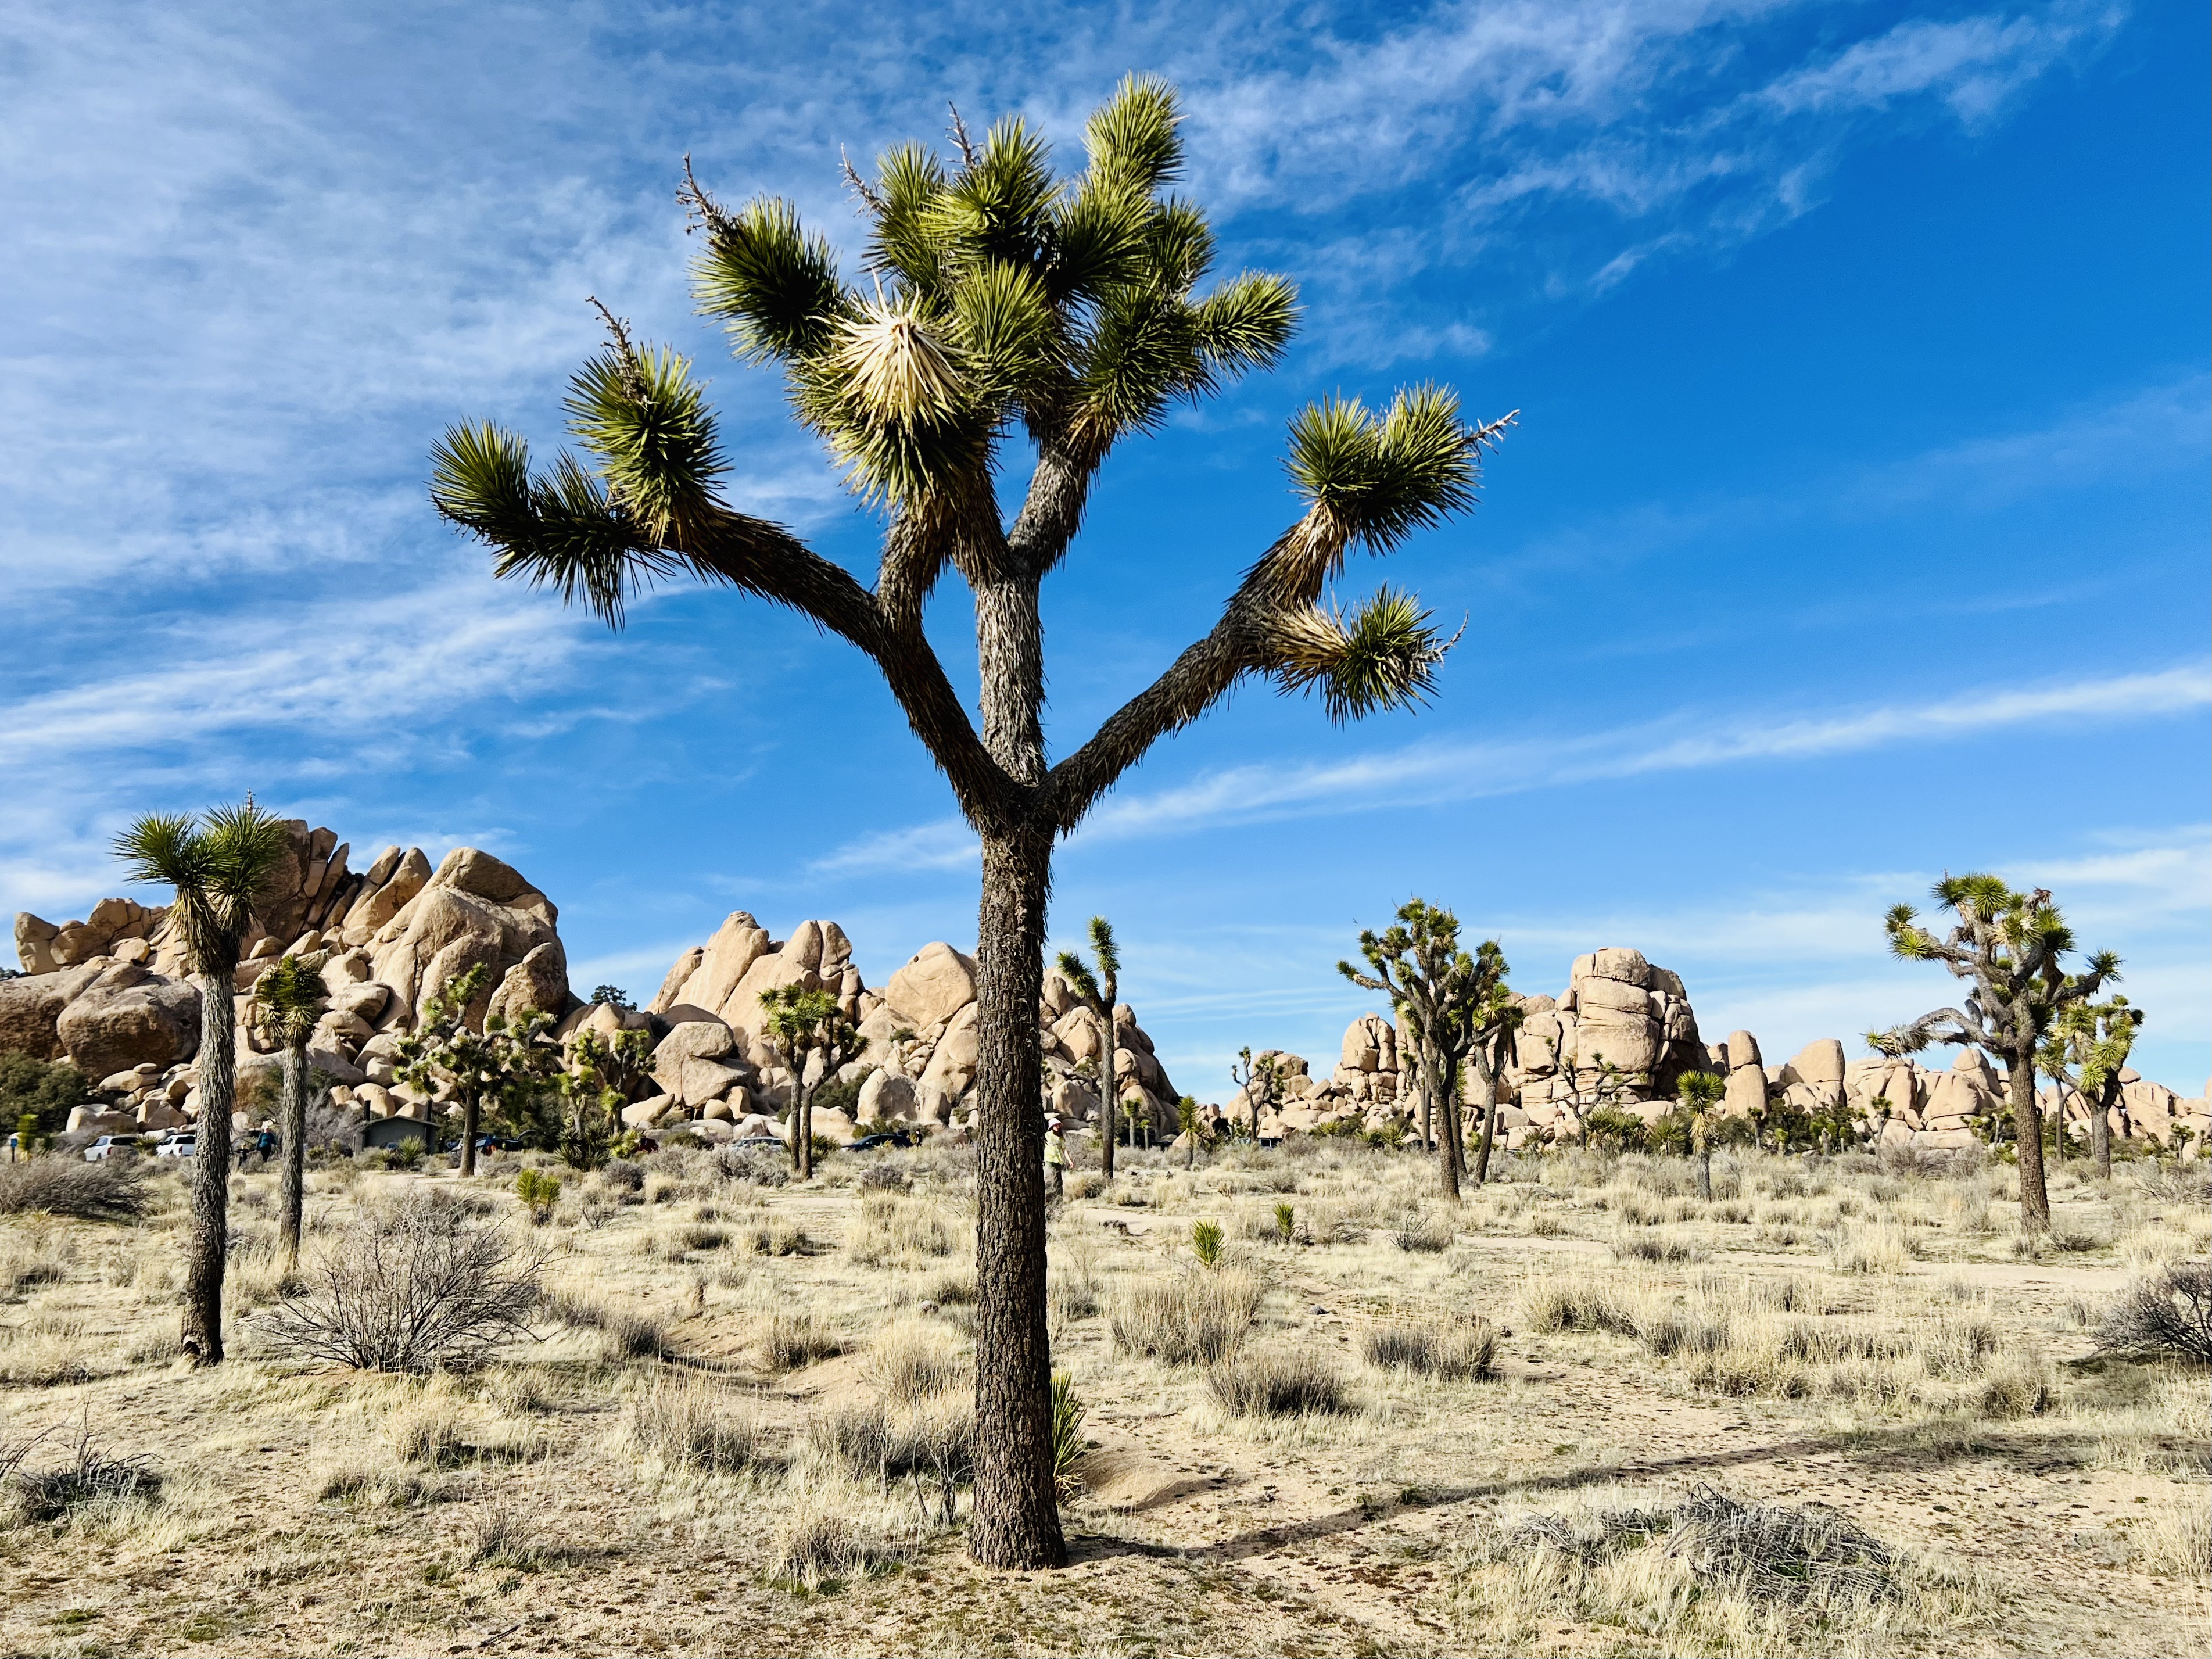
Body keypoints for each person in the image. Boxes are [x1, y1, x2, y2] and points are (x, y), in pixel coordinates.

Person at [1043, 1116, 1068, 1198]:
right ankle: (1050, 1200)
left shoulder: (1060, 1138)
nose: (1057, 1126)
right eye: (1055, 1125)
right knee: (1051, 1180)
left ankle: (1058, 1201)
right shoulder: (1047, 1135)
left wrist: (1070, 1161)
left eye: (1058, 1125)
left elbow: (1064, 1150)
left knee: (1058, 1181)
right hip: (1048, 1160)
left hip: (1058, 1160)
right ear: (1052, 1126)